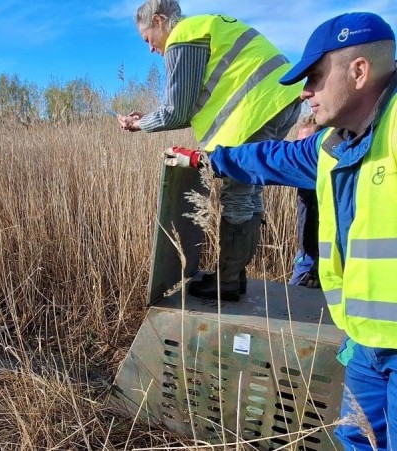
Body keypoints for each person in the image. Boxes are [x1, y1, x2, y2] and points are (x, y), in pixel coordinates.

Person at [162, 12, 397, 449]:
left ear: (360, 71)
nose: (306, 92)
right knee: (355, 439)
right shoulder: (332, 145)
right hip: (366, 341)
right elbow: (271, 158)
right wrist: (207, 159)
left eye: (315, 76)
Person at [118, 0, 302, 302]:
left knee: (238, 194)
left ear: (160, 21)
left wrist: (138, 126)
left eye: (147, 38)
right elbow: (192, 102)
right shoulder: (207, 26)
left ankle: (228, 282)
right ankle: (234, 276)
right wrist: (148, 117)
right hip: (279, 102)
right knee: (250, 191)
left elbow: (176, 112)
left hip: (255, 112)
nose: (150, 48)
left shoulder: (184, 35)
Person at [290, 114, 322, 288]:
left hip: (319, 258)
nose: (301, 151)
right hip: (304, 253)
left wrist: (318, 264)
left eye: (307, 144)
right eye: (298, 144)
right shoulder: (302, 171)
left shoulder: (327, 176)